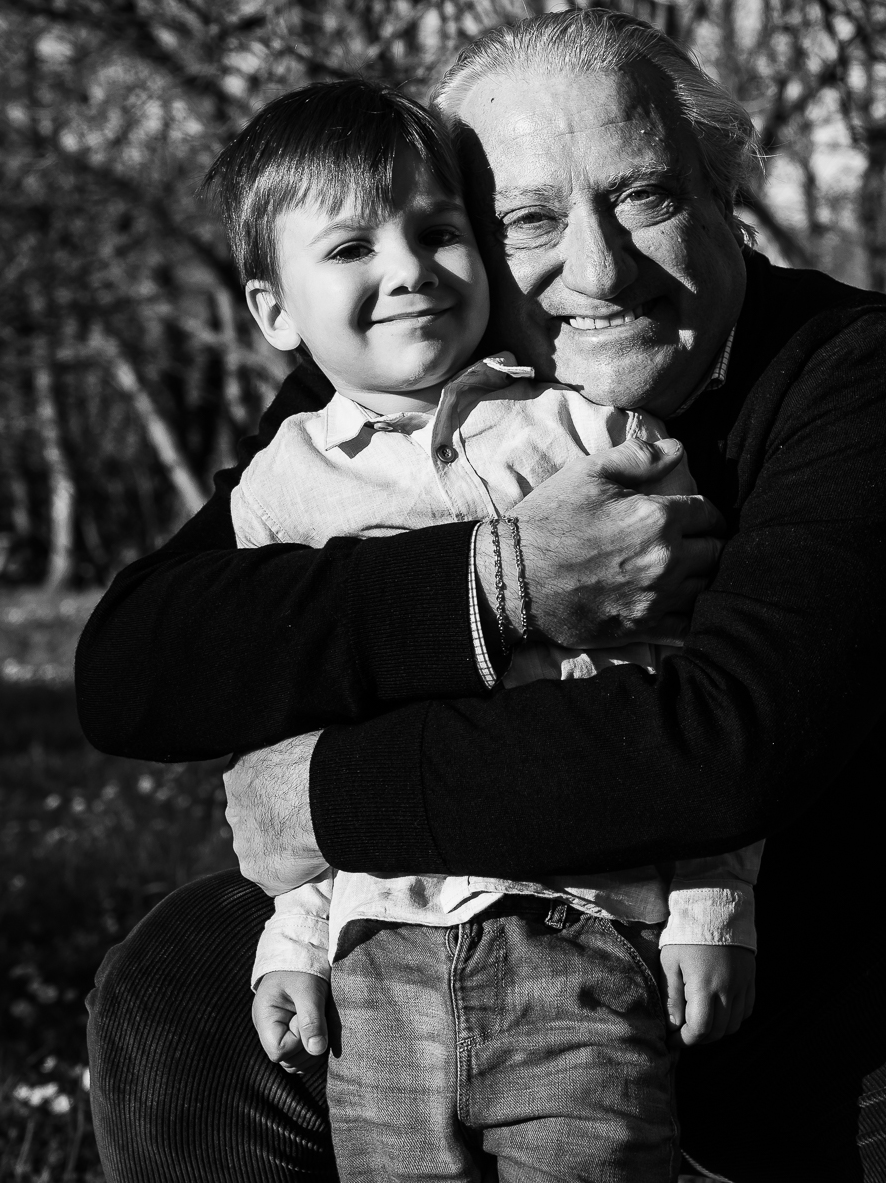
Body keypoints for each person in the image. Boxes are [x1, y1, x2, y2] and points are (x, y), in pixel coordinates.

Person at [79, 8, 886, 1183]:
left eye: (645, 196)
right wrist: (498, 583)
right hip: (428, 933)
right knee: (176, 988)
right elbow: (139, 664)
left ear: (725, 196)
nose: (600, 268)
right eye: (527, 220)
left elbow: (728, 745)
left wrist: (328, 793)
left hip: (818, 952)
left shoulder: (860, 372)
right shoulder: (387, 387)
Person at [199, 78, 760, 1182]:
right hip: (375, 959)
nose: (409, 269)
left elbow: (690, 693)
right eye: (350, 248)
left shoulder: (588, 432)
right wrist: (293, 940)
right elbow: (284, 739)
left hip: (582, 935)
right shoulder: (277, 490)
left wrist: (711, 906)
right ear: (273, 313)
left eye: (439, 232)